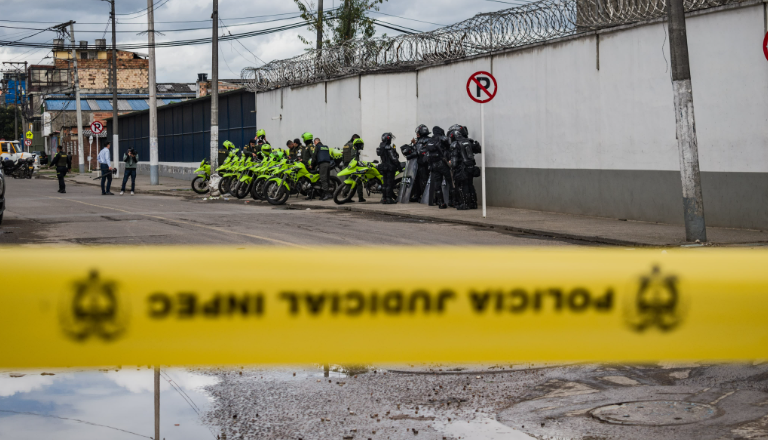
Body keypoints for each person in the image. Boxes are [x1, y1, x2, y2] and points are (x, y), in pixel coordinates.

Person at [448, 124, 480, 210]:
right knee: (470, 185)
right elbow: (478, 149)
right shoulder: (468, 141)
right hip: (471, 166)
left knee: (462, 186)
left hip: (462, 168)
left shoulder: (455, 144)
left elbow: (454, 162)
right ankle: (473, 204)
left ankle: (465, 204)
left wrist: (450, 164)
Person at [425, 126, 452, 209]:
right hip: (443, 163)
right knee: (451, 182)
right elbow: (450, 146)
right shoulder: (442, 138)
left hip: (434, 165)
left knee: (438, 184)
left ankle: (441, 203)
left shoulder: (430, 140)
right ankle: (453, 201)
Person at [376, 132, 400, 204]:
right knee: (389, 184)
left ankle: (384, 198)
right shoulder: (388, 147)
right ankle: (389, 199)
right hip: (390, 168)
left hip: (383, 167)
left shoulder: (381, 147)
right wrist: (399, 166)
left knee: (385, 183)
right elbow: (394, 159)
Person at [410, 124, 431, 202]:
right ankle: (417, 195)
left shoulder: (426, 140)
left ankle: (424, 195)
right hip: (418, 163)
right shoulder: (420, 140)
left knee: (423, 180)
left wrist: (415, 145)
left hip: (424, 164)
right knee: (416, 180)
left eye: (418, 132)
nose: (417, 134)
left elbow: (420, 151)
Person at [342, 135, 366, 203]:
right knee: (358, 182)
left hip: (346, 166)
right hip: (352, 166)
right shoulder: (352, 145)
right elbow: (354, 156)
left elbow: (343, 156)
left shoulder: (345, 145)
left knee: (349, 182)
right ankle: (360, 198)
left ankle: (345, 195)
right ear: (354, 139)